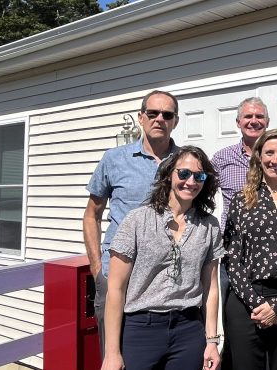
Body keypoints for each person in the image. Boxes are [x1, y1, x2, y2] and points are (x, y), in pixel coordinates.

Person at [211, 96, 277, 363]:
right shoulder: (241, 198)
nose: (275, 159)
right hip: (244, 294)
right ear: (259, 158)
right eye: (269, 153)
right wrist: (256, 303)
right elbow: (232, 257)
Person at [100, 145, 224, 370]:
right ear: (169, 174)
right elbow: (116, 289)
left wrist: (212, 341)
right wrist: (112, 354)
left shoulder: (209, 226)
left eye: (199, 176)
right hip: (141, 329)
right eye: (184, 173)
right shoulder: (137, 221)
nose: (191, 182)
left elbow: (211, 288)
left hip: (189, 329)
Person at [83, 90, 180, 357]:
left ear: (175, 121)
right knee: (114, 356)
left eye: (167, 114)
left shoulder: (185, 163)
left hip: (167, 278)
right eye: (153, 113)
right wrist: (96, 267)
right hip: (117, 274)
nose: (159, 119)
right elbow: (92, 214)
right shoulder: (114, 159)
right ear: (141, 117)